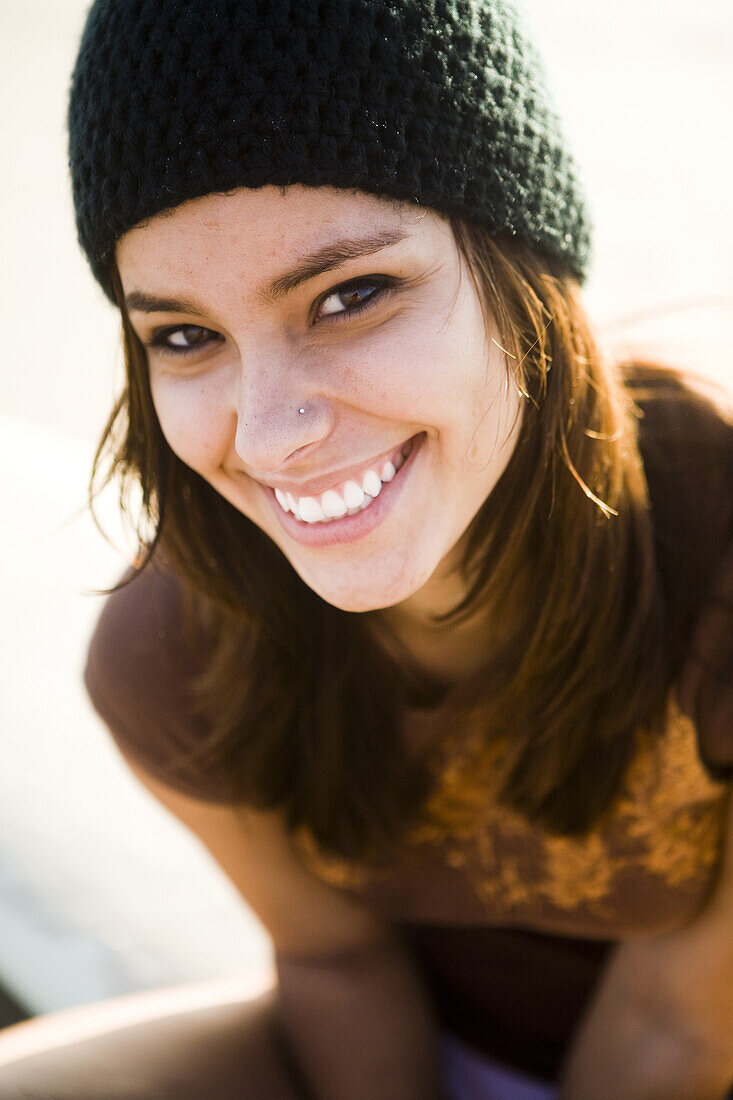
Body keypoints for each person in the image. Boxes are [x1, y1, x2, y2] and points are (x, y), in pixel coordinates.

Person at [1, 0, 732, 1097]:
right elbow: (334, 960)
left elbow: (678, 1019)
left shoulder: (710, 544)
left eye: (350, 295)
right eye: (186, 336)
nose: (269, 430)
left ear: (523, 277)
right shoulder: (173, 653)